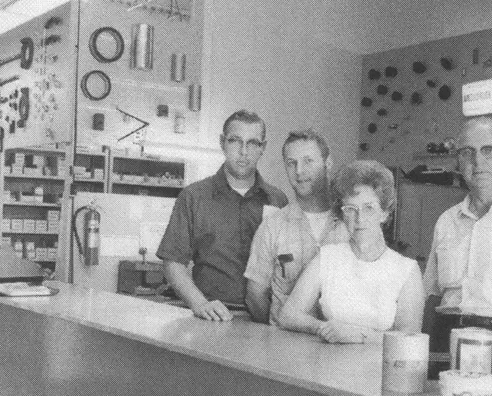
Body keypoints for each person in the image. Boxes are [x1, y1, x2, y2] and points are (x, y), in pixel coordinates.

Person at [156, 110, 288, 321]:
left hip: (264, 319)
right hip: (211, 317)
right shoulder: (194, 197)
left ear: (263, 147)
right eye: (235, 141)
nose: (243, 151)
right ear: (222, 142)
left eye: (252, 143)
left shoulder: (278, 201)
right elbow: (173, 262)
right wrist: (200, 304)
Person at [277, 160, 425, 343]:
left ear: (385, 213)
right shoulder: (328, 257)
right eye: (351, 209)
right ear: (341, 214)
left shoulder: (407, 270)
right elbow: (288, 315)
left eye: (369, 208)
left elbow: (409, 338)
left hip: (379, 369)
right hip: (328, 364)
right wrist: (324, 328)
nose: (360, 218)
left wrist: (359, 336)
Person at [244, 128, 348, 324]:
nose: (299, 171)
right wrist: (279, 329)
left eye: (308, 161)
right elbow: (255, 296)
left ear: (327, 163)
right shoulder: (273, 226)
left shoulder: (350, 222)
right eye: (291, 163)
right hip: (284, 346)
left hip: (337, 346)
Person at [424, 117, 492, 313]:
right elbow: (432, 295)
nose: (477, 161)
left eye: (489, 150)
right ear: (459, 162)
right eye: (467, 152)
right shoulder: (447, 221)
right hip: (448, 336)